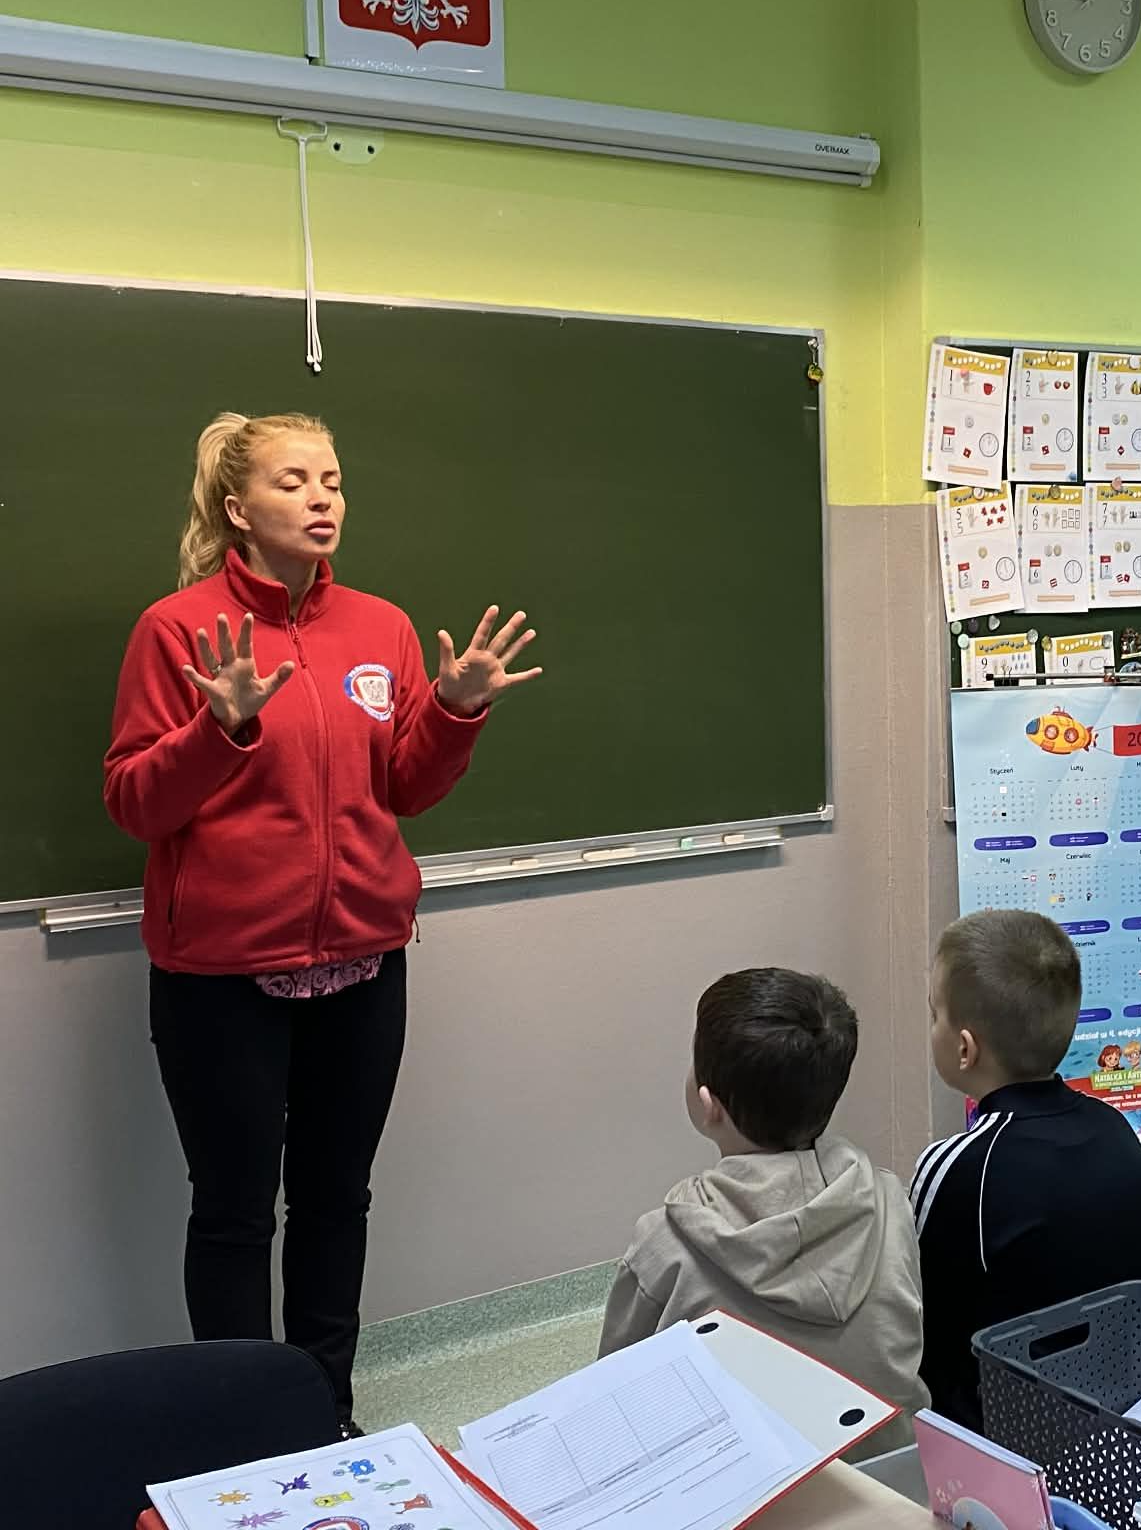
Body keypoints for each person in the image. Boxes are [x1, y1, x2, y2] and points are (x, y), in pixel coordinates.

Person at [105, 411, 539, 1433]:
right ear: (236, 507)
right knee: (233, 1213)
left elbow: (405, 788)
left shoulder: (380, 628)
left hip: (364, 963)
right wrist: (218, 729)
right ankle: (235, 1426)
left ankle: (321, 1410)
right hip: (222, 977)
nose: (321, 499)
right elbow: (134, 803)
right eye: (293, 481)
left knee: (337, 1199)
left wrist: (455, 710)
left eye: (332, 481)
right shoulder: (177, 629)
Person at [600, 968, 925, 1457]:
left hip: (747, 1490)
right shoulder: (889, 1200)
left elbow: (611, 1398)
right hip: (894, 1478)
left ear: (707, 1104)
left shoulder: (663, 1244)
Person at [912, 910, 1141, 1429]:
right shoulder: (1116, 1129)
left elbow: (923, 1322)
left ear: (965, 1048)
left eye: (934, 1014)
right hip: (1115, 1419)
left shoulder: (957, 1165)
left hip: (1001, 1430)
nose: (931, 1025)